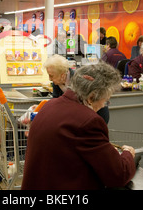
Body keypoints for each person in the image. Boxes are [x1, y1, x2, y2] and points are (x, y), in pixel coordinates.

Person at [22, 62, 136, 190]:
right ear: (91, 97)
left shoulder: (49, 105)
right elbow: (119, 175)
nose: (104, 105)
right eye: (106, 100)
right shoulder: (89, 121)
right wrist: (127, 153)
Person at [43, 55, 110, 123]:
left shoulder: (80, 79)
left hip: (97, 114)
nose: (50, 79)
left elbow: (85, 104)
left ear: (62, 75)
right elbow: (56, 102)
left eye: (51, 76)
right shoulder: (57, 82)